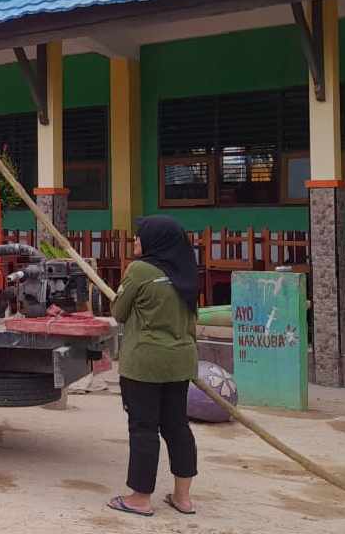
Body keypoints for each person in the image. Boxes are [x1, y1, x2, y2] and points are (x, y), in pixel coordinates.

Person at [107, 215, 200, 517]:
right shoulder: (187, 269)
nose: (135, 240)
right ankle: (183, 498)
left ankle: (140, 498)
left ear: (155, 240)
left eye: (140, 235)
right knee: (177, 426)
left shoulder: (140, 270)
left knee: (143, 428)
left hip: (145, 363)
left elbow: (118, 312)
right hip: (180, 362)